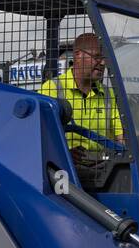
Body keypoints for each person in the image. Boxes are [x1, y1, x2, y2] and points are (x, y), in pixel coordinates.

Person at [39, 32, 121, 165]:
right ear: (78, 55)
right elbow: (40, 135)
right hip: (64, 169)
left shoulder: (108, 94)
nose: (103, 63)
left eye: (104, 58)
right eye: (97, 57)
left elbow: (121, 134)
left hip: (104, 170)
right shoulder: (52, 89)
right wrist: (64, 154)